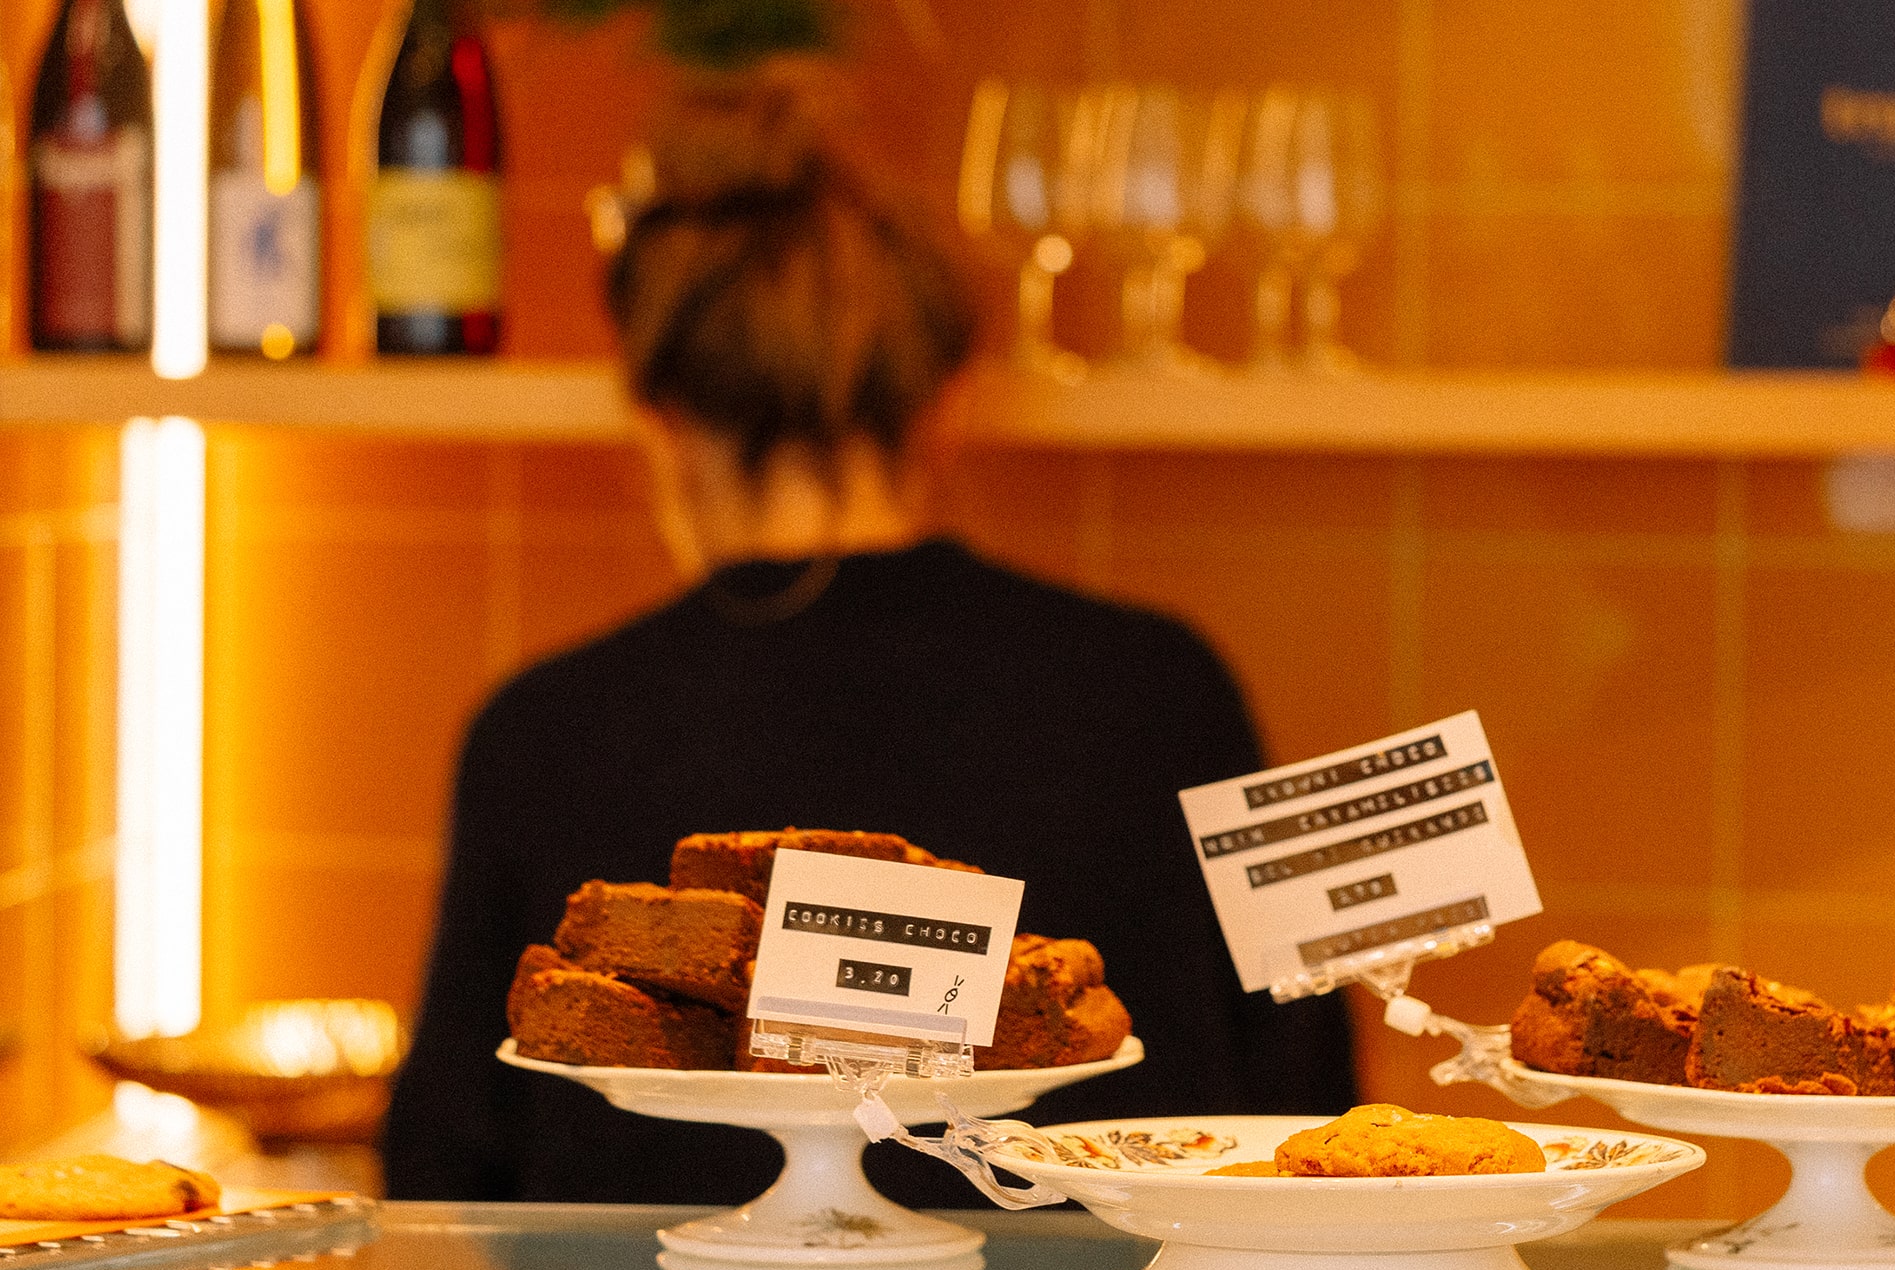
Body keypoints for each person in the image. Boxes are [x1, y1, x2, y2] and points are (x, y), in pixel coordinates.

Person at [383, 74, 1356, 1206]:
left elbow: (443, 1179)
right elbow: (1311, 1120)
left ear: (660, 416)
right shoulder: (1170, 686)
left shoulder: (539, 732)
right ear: (944, 397)